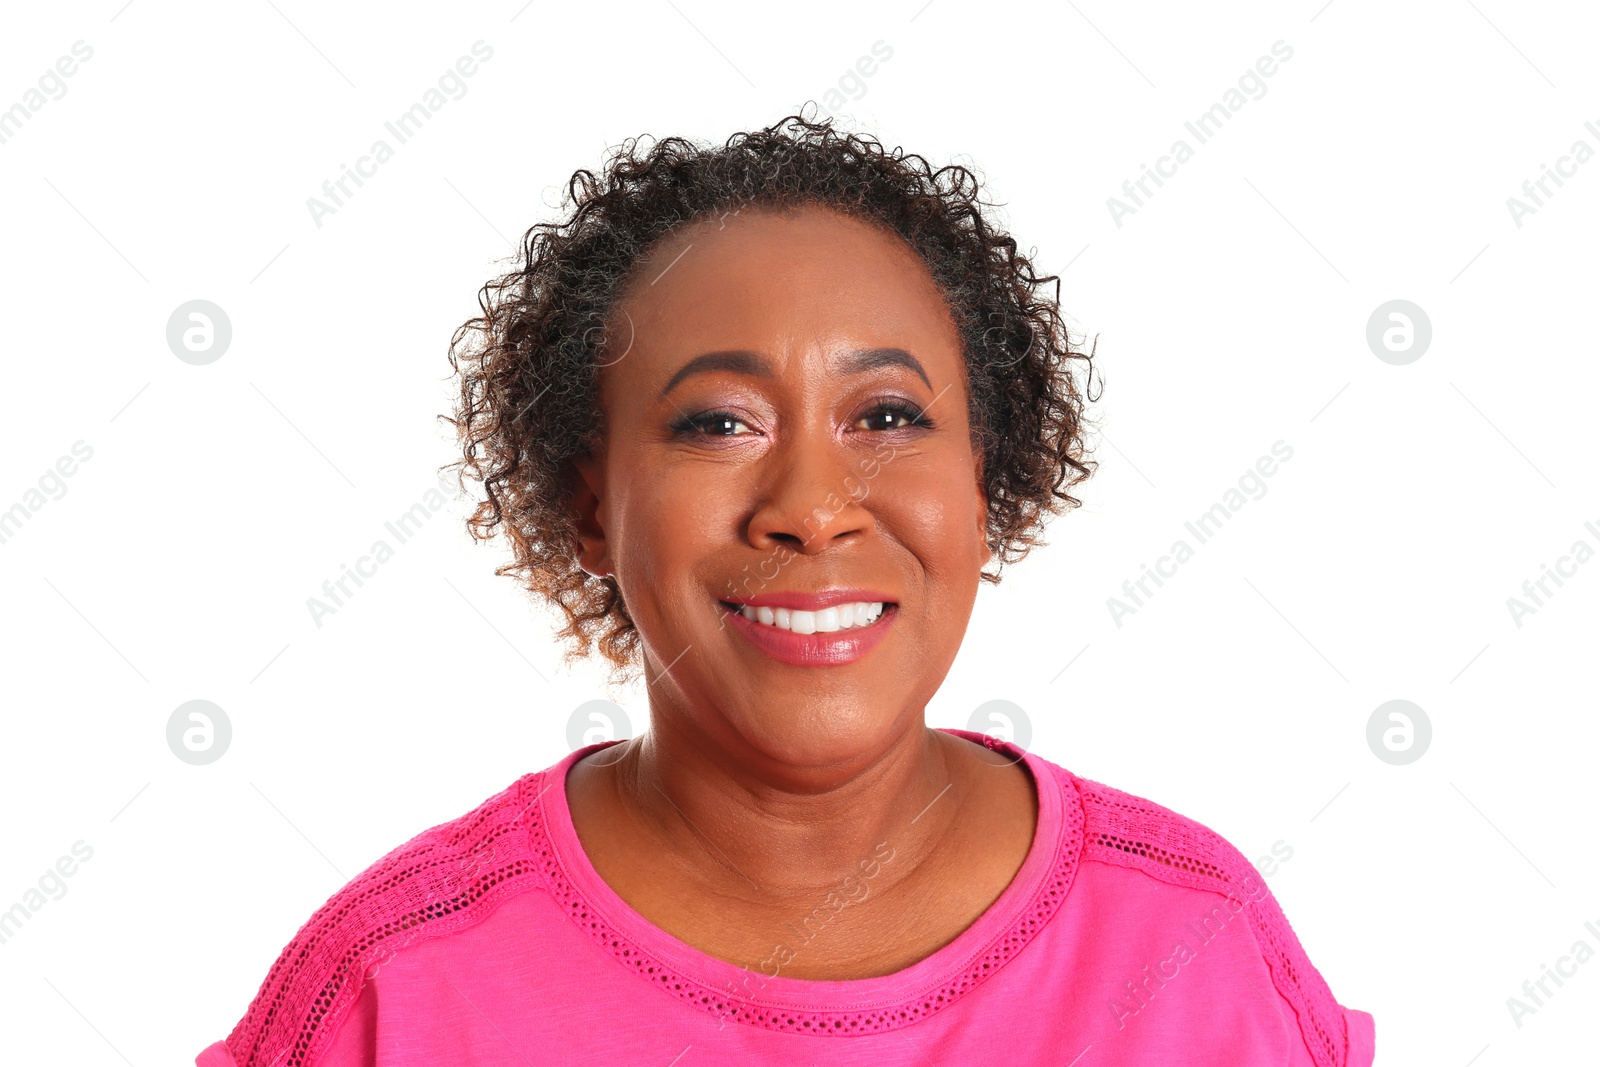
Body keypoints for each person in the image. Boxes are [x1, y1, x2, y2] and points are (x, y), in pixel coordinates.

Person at [196, 112, 1374, 1066]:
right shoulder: (394, 991)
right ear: (586, 507)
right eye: (717, 422)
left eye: (888, 416)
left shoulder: (1193, 951)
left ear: (985, 477)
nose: (812, 504)